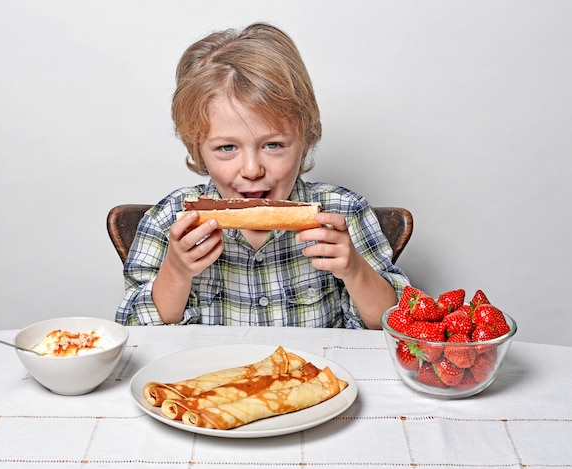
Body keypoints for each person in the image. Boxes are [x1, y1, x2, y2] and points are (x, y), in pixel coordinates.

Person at [116, 22, 409, 329]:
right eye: (227, 147)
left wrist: (355, 270)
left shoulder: (344, 210)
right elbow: (136, 332)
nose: (252, 170)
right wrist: (176, 272)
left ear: (305, 140)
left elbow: (396, 328)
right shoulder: (169, 219)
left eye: (273, 145)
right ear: (198, 148)